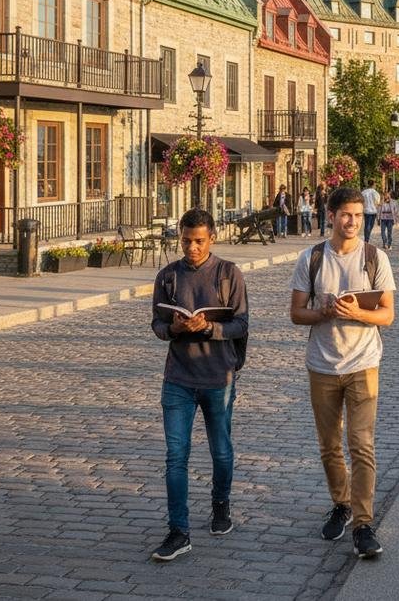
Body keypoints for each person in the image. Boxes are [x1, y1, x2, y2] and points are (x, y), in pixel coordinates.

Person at [289, 186, 396, 559]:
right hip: (322, 364)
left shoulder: (374, 257)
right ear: (331, 215)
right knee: (330, 445)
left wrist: (358, 314)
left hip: (364, 364)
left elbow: (387, 314)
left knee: (361, 444)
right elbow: (296, 312)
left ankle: (364, 523)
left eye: (358, 215)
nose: (352, 222)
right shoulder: (312, 258)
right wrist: (324, 312)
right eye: (345, 215)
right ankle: (342, 503)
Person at [149, 209, 249, 562]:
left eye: (199, 241)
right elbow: (157, 326)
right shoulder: (168, 276)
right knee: (176, 456)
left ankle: (220, 506)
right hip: (177, 378)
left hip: (217, 378)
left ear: (212, 239)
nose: (192, 248)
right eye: (186, 241)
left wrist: (208, 328)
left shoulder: (227, 274)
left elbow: (240, 324)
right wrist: (175, 329)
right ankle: (179, 531)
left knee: (220, 450)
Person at [360, 180, 381, 244]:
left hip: (366, 211)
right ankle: (367, 239)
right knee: (370, 226)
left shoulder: (363, 192)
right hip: (373, 211)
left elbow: (361, 201)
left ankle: (366, 238)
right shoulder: (376, 193)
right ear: (374, 184)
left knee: (367, 225)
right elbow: (378, 202)